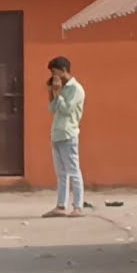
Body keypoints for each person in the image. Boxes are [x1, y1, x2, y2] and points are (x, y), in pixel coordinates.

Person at [43, 56, 86, 218]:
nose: (55, 76)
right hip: (57, 133)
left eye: (55, 72)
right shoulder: (62, 88)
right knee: (61, 173)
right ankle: (61, 205)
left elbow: (67, 109)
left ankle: (78, 206)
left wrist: (58, 91)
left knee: (73, 171)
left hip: (69, 133)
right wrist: (51, 92)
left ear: (63, 70)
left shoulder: (76, 89)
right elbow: (53, 109)